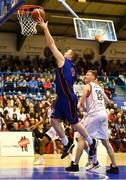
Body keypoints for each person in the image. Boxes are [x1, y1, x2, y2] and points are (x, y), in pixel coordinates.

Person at [37, 18, 96, 159]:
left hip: (68, 98)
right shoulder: (74, 69)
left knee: (75, 123)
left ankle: (91, 142)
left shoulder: (64, 61)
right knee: (53, 120)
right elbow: (65, 84)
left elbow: (51, 44)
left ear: (70, 56)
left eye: (67, 51)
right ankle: (66, 143)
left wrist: (45, 28)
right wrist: (58, 97)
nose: (64, 52)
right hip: (63, 97)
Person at [65, 70, 119, 174]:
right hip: (103, 114)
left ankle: (75, 164)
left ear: (94, 77)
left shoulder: (87, 86)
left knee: (81, 138)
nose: (85, 76)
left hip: (95, 115)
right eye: (85, 74)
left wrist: (75, 107)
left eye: (88, 74)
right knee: (106, 142)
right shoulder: (99, 87)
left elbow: (80, 104)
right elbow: (108, 101)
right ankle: (114, 166)